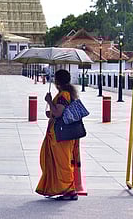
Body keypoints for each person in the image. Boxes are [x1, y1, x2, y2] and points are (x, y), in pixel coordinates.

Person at [36, 69, 81, 200]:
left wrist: (49, 101)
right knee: (60, 161)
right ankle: (62, 188)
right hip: (64, 132)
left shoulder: (63, 95)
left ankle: (70, 190)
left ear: (57, 81)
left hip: (61, 134)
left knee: (62, 162)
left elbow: (59, 113)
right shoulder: (67, 94)